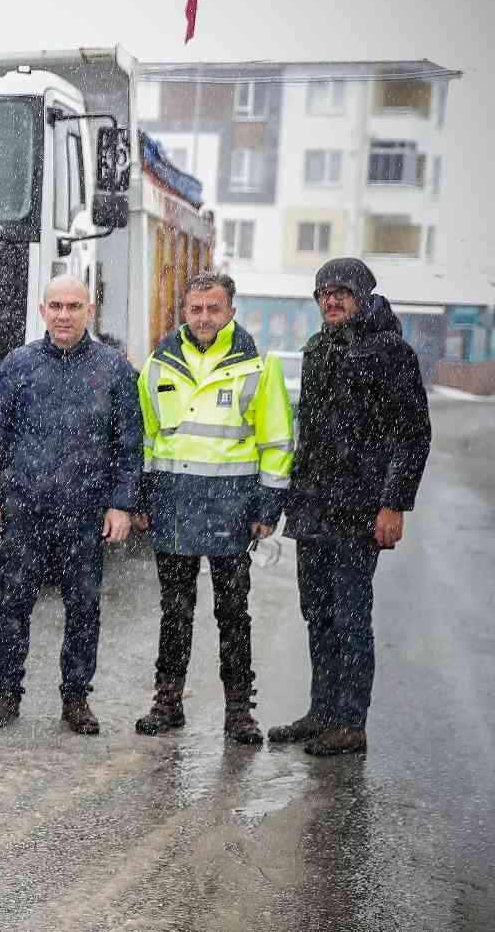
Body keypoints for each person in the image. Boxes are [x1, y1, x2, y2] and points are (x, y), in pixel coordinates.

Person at [270, 257, 430, 757]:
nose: (331, 300)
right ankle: (321, 712)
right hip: (314, 507)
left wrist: (394, 504)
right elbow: (310, 436)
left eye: (341, 291)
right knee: (316, 613)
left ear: (362, 294)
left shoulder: (390, 353)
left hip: (360, 511)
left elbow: (413, 434)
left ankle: (350, 722)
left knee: (350, 616)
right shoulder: (317, 349)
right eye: (323, 293)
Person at [0, 274, 140, 735]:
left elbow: (129, 445)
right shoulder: (19, 364)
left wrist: (121, 504)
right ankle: (6, 693)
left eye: (73, 306)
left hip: (85, 515)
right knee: (13, 605)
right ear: (43, 311)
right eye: (56, 306)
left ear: (89, 312)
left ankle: (76, 699)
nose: (64, 315)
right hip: (26, 510)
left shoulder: (114, 369)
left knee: (84, 609)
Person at [132, 273, 294, 745]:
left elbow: (277, 441)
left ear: (231, 312)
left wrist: (268, 504)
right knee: (175, 612)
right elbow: (145, 439)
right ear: (184, 312)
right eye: (196, 309)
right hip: (175, 504)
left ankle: (239, 713)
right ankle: (168, 703)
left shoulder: (260, 368)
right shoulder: (157, 366)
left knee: (233, 613)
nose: (204, 318)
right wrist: (141, 496)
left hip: (232, 508)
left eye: (214, 309)